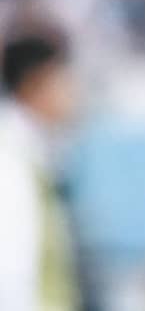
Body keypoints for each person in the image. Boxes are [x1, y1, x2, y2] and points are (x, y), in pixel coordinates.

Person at [0, 21, 80, 310]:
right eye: (65, 79)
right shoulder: (10, 162)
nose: (75, 93)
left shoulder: (39, 155)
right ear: (38, 80)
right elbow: (12, 273)